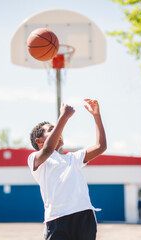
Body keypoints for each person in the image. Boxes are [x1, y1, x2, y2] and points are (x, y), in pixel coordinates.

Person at [28, 99, 107, 240]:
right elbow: (47, 150)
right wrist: (63, 117)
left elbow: (101, 146)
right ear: (39, 141)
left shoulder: (72, 158)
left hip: (83, 215)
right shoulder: (36, 159)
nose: (59, 132)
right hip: (57, 218)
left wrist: (96, 116)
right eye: (51, 130)